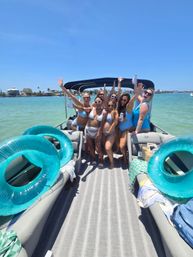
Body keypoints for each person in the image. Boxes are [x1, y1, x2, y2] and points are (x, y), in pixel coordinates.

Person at [85, 96, 105, 167]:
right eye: (96, 102)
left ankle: (101, 159)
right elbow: (82, 107)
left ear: (102, 102)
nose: (97, 103)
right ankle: (93, 158)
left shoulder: (104, 111)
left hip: (97, 131)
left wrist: (99, 132)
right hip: (88, 129)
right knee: (90, 146)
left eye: (99, 101)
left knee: (97, 147)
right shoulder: (91, 108)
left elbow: (102, 124)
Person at [102, 100, 119, 169]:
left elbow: (115, 122)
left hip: (111, 133)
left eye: (112, 105)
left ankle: (112, 162)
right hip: (103, 133)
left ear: (114, 106)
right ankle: (107, 158)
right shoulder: (105, 111)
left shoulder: (115, 112)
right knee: (102, 148)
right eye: (109, 105)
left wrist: (109, 130)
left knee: (108, 148)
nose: (110, 107)